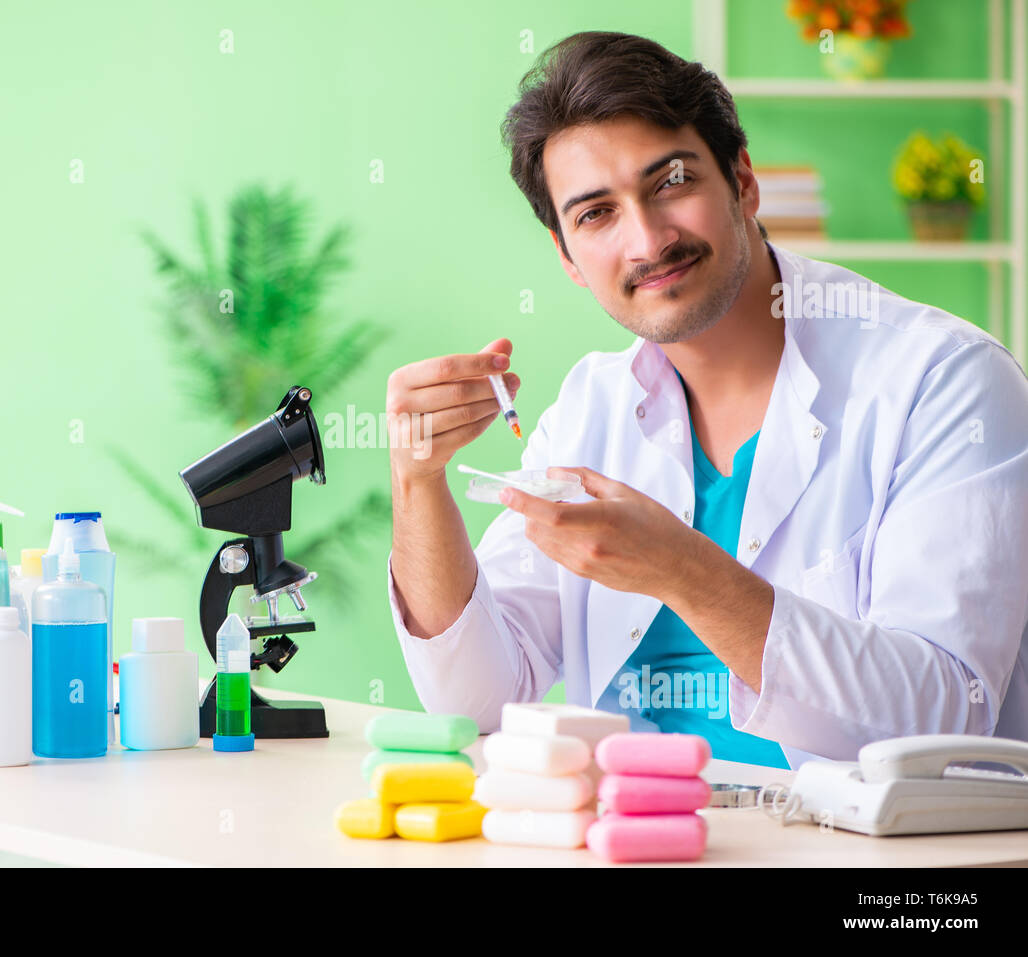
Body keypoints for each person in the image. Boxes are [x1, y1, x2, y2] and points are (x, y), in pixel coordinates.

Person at [384, 31, 1028, 769]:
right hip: (638, 834)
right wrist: (419, 482)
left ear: (743, 182)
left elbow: (943, 714)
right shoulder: (590, 407)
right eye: (596, 214)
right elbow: (477, 702)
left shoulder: (945, 383)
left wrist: (684, 570)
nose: (648, 239)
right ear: (566, 258)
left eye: (672, 182)